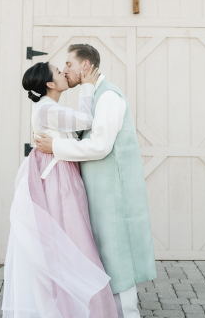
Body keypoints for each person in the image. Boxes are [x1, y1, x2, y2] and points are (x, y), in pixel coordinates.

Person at [34, 44, 156, 318]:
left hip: (113, 194)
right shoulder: (95, 96)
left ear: (85, 66)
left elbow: (100, 145)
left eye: (69, 64)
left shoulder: (109, 97)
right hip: (98, 193)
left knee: (118, 258)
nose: (65, 70)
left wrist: (56, 147)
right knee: (104, 259)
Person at [2, 61, 118, 318]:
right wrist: (87, 86)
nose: (64, 72)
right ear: (50, 84)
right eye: (58, 71)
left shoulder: (48, 107)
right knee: (72, 240)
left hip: (57, 173)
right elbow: (87, 120)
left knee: (68, 241)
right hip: (57, 178)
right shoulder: (46, 109)